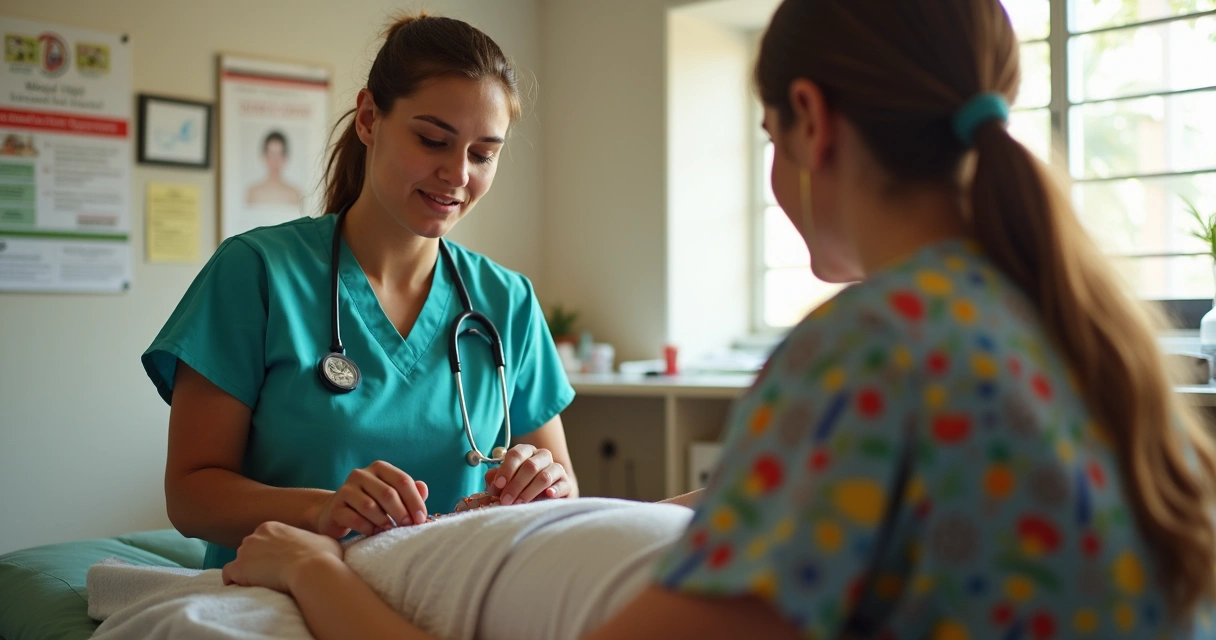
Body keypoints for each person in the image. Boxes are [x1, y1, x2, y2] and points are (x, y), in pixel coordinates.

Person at [219, 0, 1216, 638]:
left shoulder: (870, 348)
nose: (458, 172)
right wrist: (715, 493)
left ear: (810, 124)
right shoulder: (1071, 336)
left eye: (766, 133)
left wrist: (316, 572)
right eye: (435, 140)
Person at [142, 13, 579, 572]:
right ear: (370, 118)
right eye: (432, 140)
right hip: (281, 599)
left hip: (450, 597)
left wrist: (542, 482)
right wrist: (324, 512)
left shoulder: (507, 301)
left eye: (482, 154)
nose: (457, 174)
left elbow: (565, 491)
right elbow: (191, 494)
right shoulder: (256, 273)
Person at [244, 131, 304, 207]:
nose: (275, 160)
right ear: (265, 156)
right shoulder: (252, 193)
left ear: (285, 158)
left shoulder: (294, 194)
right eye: (271, 154)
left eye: (279, 155)